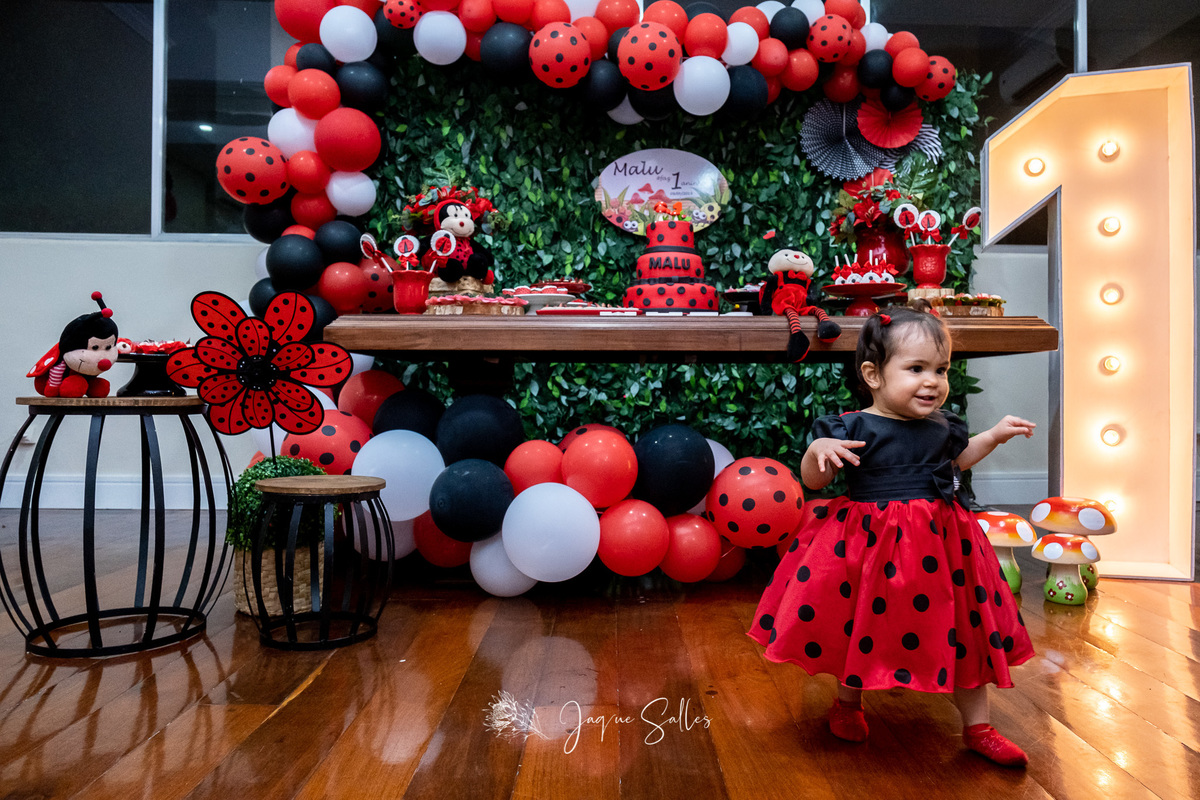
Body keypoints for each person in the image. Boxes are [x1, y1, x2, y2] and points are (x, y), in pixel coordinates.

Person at [747, 303, 1036, 767]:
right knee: (858, 623)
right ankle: (847, 705)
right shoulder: (853, 426)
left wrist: (993, 436)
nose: (933, 381)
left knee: (964, 629)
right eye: (916, 368)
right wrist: (818, 450)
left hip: (943, 549)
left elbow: (956, 463)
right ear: (873, 374)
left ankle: (978, 727)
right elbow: (815, 482)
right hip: (870, 546)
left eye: (941, 369)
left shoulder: (943, 427)